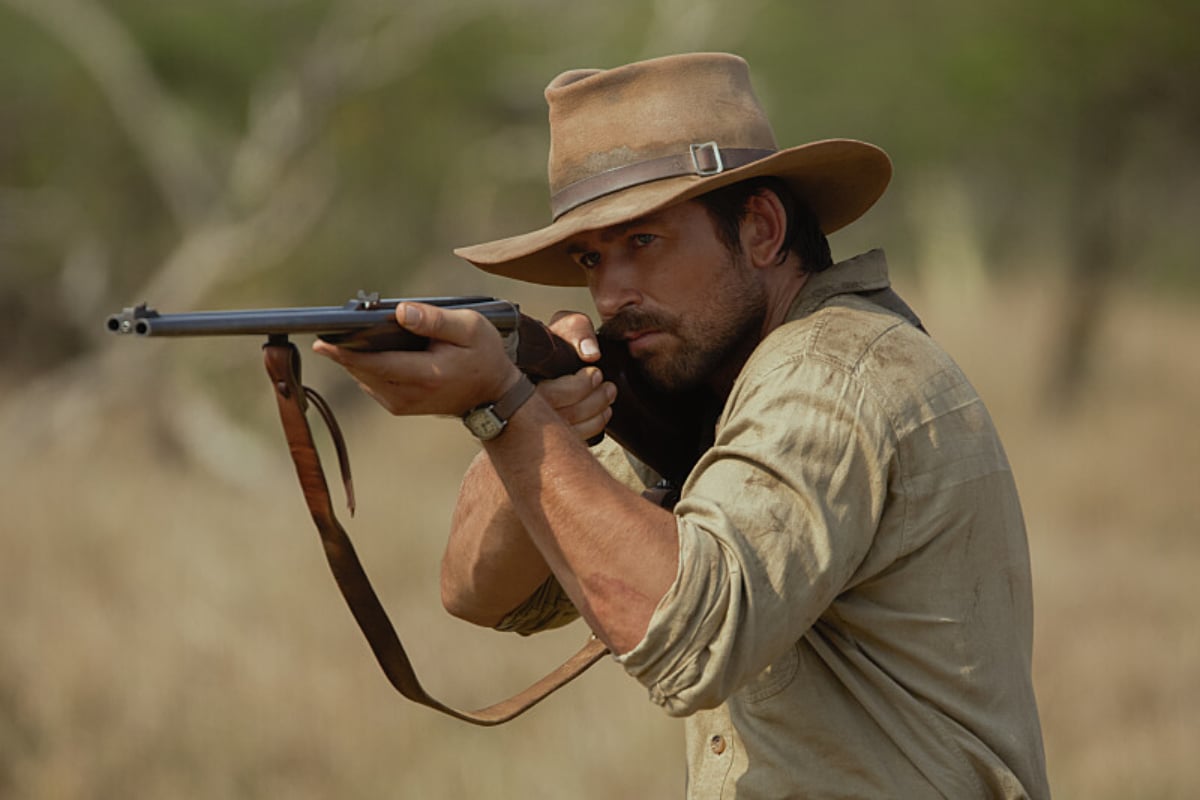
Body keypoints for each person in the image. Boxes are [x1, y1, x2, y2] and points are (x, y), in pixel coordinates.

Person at [315, 52, 1050, 799]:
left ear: (762, 228)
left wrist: (509, 411)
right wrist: (530, 411)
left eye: (644, 242)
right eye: (590, 257)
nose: (610, 291)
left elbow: (689, 638)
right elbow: (481, 593)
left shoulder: (827, 371)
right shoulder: (704, 385)